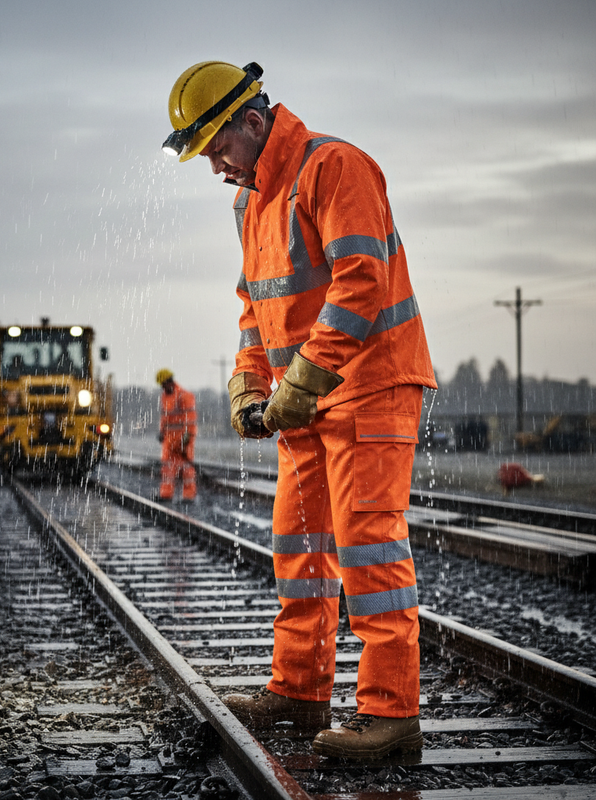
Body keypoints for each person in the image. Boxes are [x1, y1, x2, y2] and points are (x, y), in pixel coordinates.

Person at [162, 61, 437, 759]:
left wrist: (303, 380)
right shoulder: (248, 200)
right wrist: (248, 384)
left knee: (368, 545)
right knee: (298, 547)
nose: (216, 166)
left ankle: (390, 716)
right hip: (304, 405)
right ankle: (300, 690)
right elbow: (255, 309)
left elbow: (361, 282)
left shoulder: (335, 167)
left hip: (371, 386)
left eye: (219, 148)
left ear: (253, 123)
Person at [155, 369, 198, 502]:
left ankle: (188, 496)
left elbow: (190, 418)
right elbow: (165, 417)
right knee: (167, 467)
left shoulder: (184, 396)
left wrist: (188, 435)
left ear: (170, 381)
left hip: (183, 437)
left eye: (164, 384)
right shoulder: (164, 397)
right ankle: (166, 494)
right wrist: (162, 431)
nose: (163, 387)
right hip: (169, 438)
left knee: (186, 468)